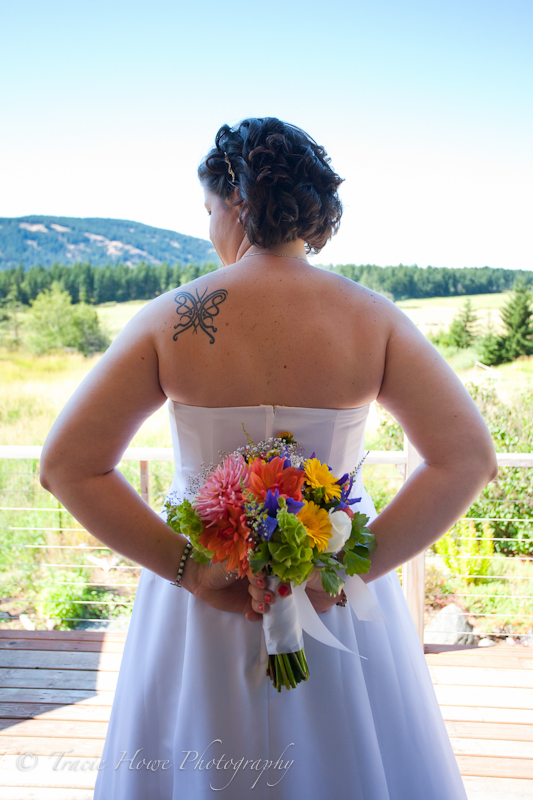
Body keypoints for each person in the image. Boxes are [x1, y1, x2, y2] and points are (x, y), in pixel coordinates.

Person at [40, 117, 497, 799]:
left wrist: (190, 569)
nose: (206, 230)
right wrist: (340, 568)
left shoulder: (171, 317)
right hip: (332, 598)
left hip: (204, 599)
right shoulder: (372, 319)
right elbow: (466, 458)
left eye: (205, 210)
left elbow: (66, 466)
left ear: (236, 202)